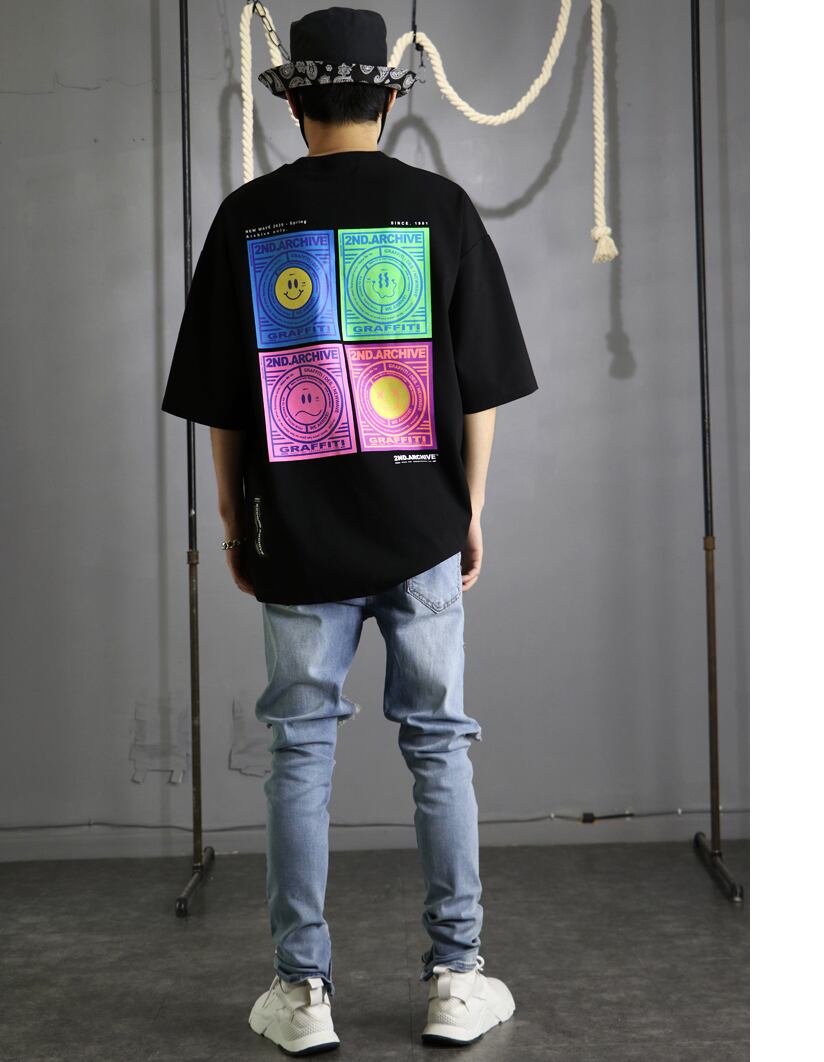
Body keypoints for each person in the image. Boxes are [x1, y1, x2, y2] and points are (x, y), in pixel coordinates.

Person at [160, 6, 538, 1054]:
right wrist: (468, 509)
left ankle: (302, 993)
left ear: (294, 106)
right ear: (388, 99)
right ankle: (456, 980)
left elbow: (227, 404)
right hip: (423, 526)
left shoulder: (248, 217)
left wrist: (235, 524)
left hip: (298, 535)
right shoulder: (441, 208)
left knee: (300, 754)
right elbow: (481, 388)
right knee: (440, 746)